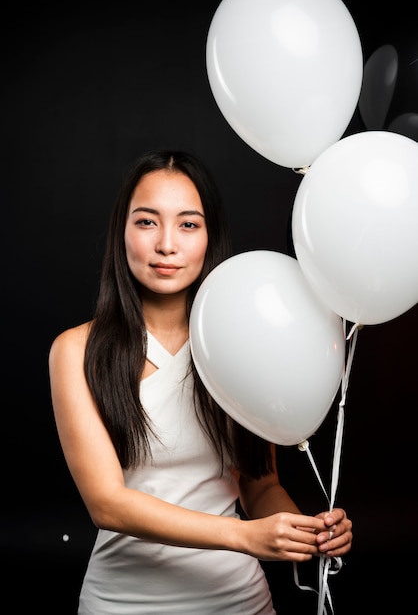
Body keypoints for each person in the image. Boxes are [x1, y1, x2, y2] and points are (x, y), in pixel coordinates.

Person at [48, 149, 353, 615]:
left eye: (188, 224)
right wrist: (244, 536)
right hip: (120, 602)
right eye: (147, 222)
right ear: (121, 233)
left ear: (210, 236)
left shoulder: (242, 341)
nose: (167, 244)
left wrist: (303, 530)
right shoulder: (75, 350)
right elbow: (107, 504)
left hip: (238, 600)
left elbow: (260, 484)